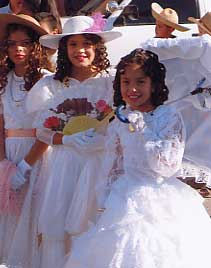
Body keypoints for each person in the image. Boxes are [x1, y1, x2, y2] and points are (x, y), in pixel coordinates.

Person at [62, 48, 211, 268]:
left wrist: (141, 128)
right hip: (123, 198)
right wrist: (104, 200)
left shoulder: (168, 116)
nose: (132, 89)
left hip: (161, 198)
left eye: (140, 82)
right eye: (126, 82)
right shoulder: (120, 120)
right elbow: (113, 165)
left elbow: (166, 166)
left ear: (154, 84)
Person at [25, 14, 121, 268]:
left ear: (97, 47)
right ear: (64, 49)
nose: (80, 50)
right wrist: (68, 139)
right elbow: (42, 131)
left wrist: (101, 139)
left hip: (101, 165)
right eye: (73, 44)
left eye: (87, 44)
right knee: (61, 227)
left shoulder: (111, 82)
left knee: (96, 223)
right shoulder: (51, 85)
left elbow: (123, 123)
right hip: (64, 167)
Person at [0, 13, 51, 267]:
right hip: (9, 152)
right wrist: (3, 163)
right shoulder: (3, 79)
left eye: (25, 43)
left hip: (37, 155)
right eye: (12, 43)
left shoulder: (44, 79)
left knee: (34, 217)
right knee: (10, 219)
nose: (18, 49)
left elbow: (49, 128)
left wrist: (26, 165)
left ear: (35, 46)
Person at [142, 17, 211, 198]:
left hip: (189, 105)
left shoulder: (202, 45)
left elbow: (149, 46)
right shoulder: (197, 47)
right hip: (189, 104)